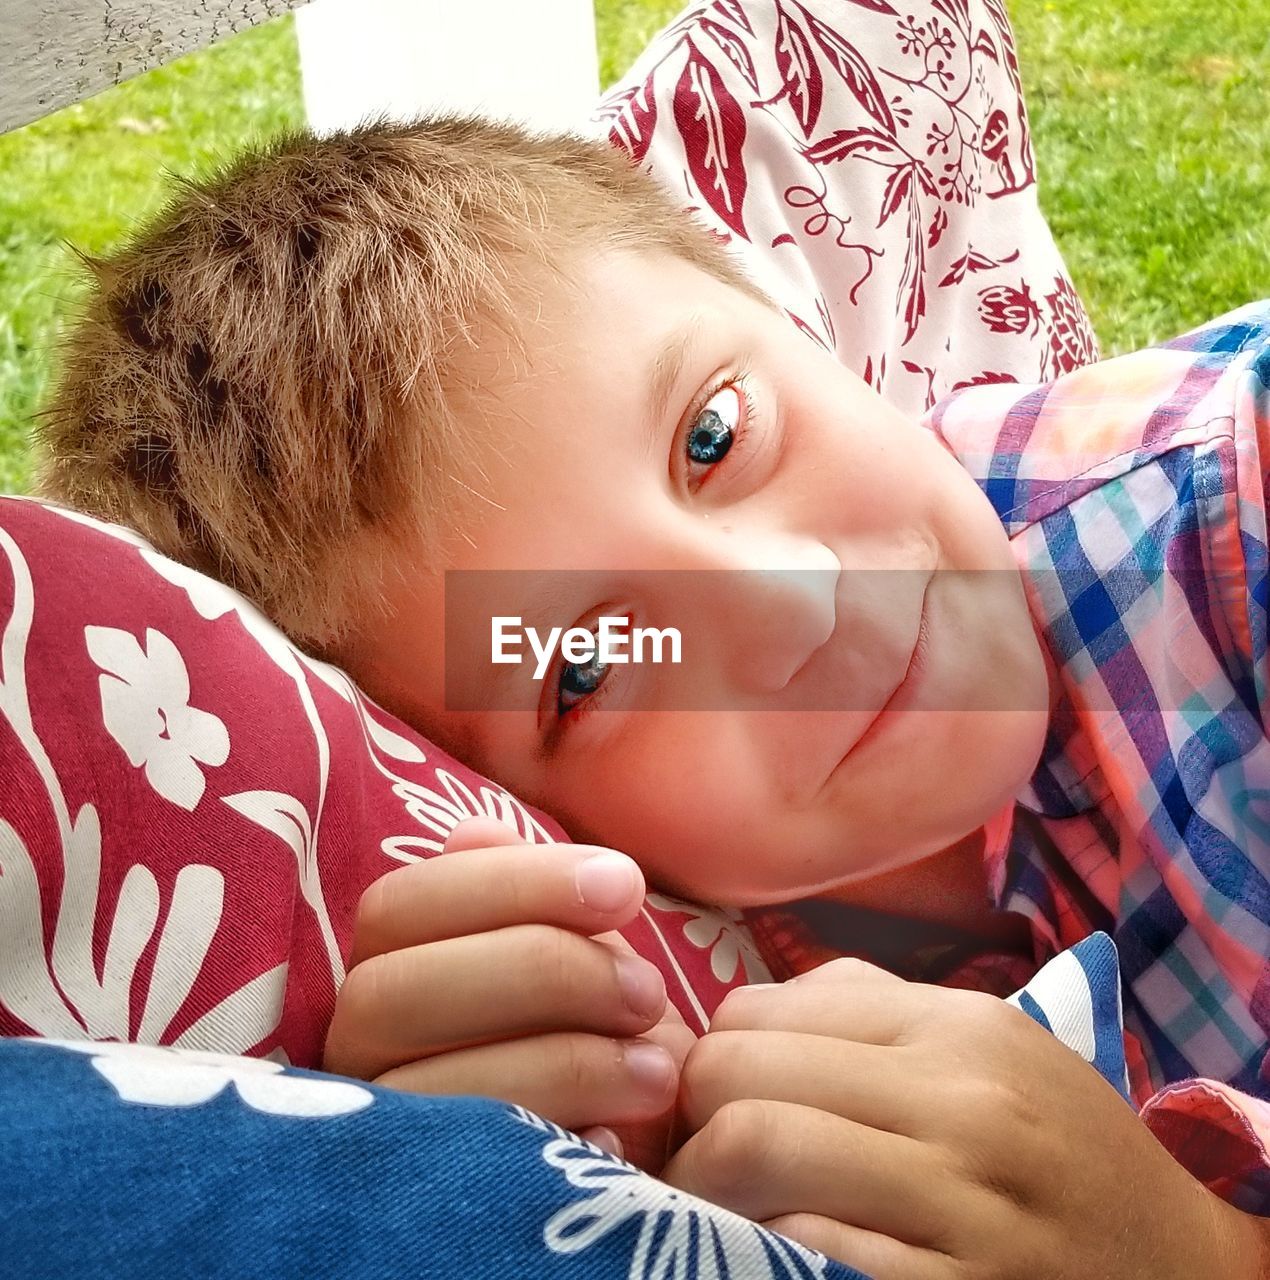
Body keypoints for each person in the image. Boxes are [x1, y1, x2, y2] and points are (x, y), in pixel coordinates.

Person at [31, 11, 1269, 1280]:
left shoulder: (1242, 500)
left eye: (716, 436)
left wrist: (1200, 1247)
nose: (798, 607)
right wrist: (470, 1160)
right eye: (584, 664)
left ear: (785, 320)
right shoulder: (657, 1009)